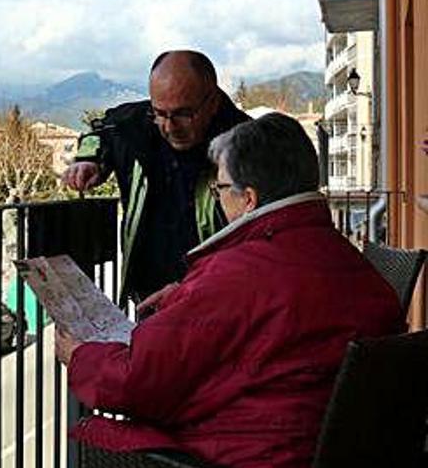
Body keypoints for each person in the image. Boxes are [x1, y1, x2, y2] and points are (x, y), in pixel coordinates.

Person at [56, 113, 403, 468]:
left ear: (248, 198)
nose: (218, 198)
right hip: (325, 446)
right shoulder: (346, 259)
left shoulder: (239, 273)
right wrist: (187, 296)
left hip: (246, 452)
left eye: (219, 188)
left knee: (99, 433)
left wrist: (80, 355)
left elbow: (134, 381)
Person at [63, 50, 250, 302]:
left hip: (214, 301)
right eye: (160, 113)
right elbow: (101, 131)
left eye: (184, 114)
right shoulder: (134, 125)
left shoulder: (246, 146)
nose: (170, 127)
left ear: (213, 102)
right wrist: (89, 159)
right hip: (146, 299)